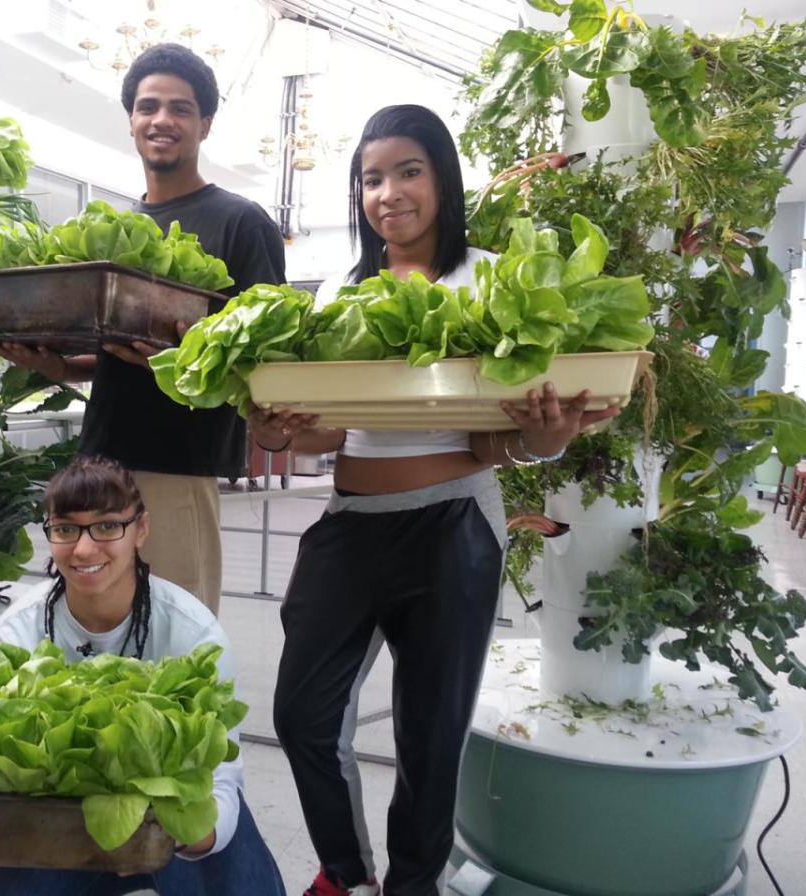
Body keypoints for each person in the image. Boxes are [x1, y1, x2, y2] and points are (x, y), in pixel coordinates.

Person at [249, 105, 621, 896]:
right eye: (370, 178)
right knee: (303, 718)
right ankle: (345, 874)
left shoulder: (488, 279)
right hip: (347, 526)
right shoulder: (343, 295)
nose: (388, 193)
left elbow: (500, 436)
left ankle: (413, 883)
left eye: (407, 171)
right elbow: (328, 440)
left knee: (429, 733)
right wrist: (281, 436)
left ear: (443, 181)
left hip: (453, 524)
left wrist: (545, 440)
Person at [0, 43, 286, 615]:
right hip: (99, 462)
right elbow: (113, 357)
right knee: (91, 635)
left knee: (175, 638)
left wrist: (176, 359)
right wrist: (60, 367)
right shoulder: (117, 230)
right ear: (131, 122)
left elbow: (265, 362)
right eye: (148, 106)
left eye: (180, 108)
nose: (162, 120)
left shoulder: (241, 223)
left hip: (178, 467)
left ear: (205, 124)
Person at [0, 455, 286, 896]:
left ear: (140, 530)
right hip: (58, 813)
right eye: (66, 529)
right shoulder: (19, 630)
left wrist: (184, 834)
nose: (85, 549)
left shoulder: (191, 631)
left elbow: (221, 774)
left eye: (107, 526)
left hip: (168, 810)